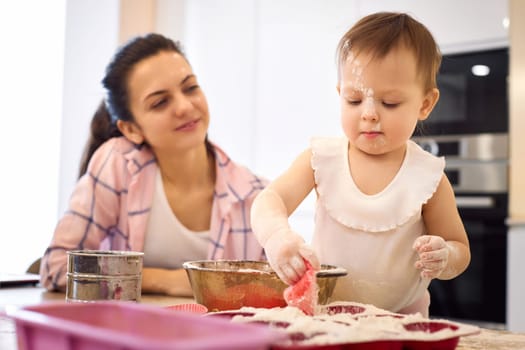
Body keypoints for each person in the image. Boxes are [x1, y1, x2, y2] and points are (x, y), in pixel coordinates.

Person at [250, 12, 470, 317]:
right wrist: (277, 238)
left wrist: (446, 256)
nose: (368, 113)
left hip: (403, 322)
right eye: (354, 100)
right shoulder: (321, 159)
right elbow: (268, 200)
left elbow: (460, 247)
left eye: (389, 102)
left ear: (425, 104)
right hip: (326, 316)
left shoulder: (427, 177)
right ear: (340, 94)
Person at [40, 33, 267, 296]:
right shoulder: (117, 165)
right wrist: (169, 280)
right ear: (132, 129)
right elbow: (56, 268)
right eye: (160, 102)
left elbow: (280, 293)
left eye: (191, 87)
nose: (184, 106)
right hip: (128, 334)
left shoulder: (255, 195)